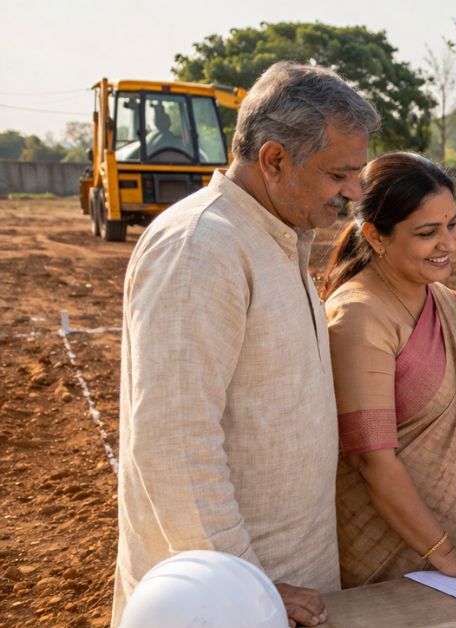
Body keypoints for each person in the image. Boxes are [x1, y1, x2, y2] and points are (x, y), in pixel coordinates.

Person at [113, 61, 378, 627]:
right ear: (275, 159)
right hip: (221, 599)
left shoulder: (278, 235)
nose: (355, 193)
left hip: (287, 579)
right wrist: (243, 581)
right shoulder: (202, 246)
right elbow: (174, 444)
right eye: (339, 175)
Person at [322, 152, 456, 586]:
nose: (450, 244)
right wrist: (445, 552)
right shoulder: (358, 318)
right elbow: (372, 461)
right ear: (375, 236)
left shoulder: (446, 303)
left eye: (452, 224)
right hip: (394, 555)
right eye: (427, 233)